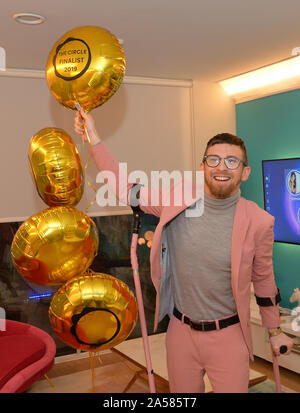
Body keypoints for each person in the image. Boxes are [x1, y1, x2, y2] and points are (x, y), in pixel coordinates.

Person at [74, 110, 294, 393]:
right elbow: (127, 189)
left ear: (245, 171)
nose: (221, 167)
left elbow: (264, 279)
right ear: (202, 166)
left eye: (232, 161)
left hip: (228, 336)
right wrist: (93, 136)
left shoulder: (259, 221)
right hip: (180, 333)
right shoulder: (177, 198)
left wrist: (274, 331)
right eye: (213, 159)